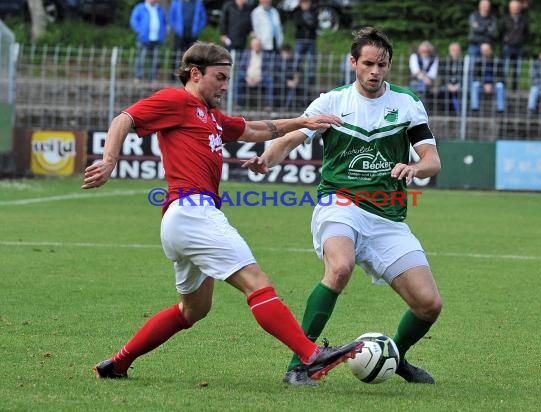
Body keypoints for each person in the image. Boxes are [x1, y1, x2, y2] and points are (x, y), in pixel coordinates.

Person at [83, 41, 363, 381]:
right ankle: (310, 355)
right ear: (196, 73)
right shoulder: (176, 100)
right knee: (257, 282)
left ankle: (118, 363)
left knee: (194, 309)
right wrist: (110, 160)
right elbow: (124, 118)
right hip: (193, 212)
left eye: (228, 78)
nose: (225, 86)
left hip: (180, 220)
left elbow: (254, 130)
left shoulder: (212, 117)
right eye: (219, 77)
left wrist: (306, 121)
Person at [243, 27, 442, 387]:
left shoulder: (406, 102)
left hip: (388, 216)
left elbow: (432, 160)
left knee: (429, 304)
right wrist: (267, 158)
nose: (375, 71)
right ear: (353, 62)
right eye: (367, 63)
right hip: (340, 204)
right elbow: (290, 138)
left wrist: (415, 167)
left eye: (382, 64)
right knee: (340, 268)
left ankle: (393, 357)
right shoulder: (333, 101)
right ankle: (299, 364)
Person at [250, 0, 284, 111]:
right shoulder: (256, 12)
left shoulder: (274, 11)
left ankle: (275, 102)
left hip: (275, 46)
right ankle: (268, 103)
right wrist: (258, 44)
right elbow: (256, 30)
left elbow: (278, 28)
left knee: (277, 74)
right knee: (267, 75)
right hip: (264, 47)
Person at [129, 0, 168, 83]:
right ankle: (138, 77)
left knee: (155, 60)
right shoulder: (140, 8)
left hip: (157, 39)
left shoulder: (160, 9)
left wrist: (163, 33)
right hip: (143, 38)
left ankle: (153, 78)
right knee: (141, 58)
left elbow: (164, 22)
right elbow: (133, 20)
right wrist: (139, 31)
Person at [168, 0, 208, 79]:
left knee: (192, 55)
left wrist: (197, 29)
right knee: (177, 53)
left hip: (192, 34)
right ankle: (173, 76)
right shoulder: (176, 2)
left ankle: (189, 75)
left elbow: (203, 18)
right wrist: (176, 28)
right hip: (179, 33)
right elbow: (171, 17)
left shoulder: (198, 3)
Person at [499, 0, 529, 91]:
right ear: (510, 8)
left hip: (519, 47)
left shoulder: (523, 19)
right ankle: (503, 88)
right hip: (507, 47)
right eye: (513, 8)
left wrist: (522, 40)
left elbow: (526, 32)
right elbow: (500, 32)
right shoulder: (505, 19)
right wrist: (505, 40)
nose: (515, 9)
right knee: (506, 69)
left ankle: (515, 89)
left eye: (517, 8)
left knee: (518, 69)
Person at [291, 0, 318, 99]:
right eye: (304, 3)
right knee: (296, 62)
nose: (306, 5)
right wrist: (308, 23)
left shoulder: (314, 11)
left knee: (311, 64)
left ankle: (309, 82)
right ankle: (296, 78)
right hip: (300, 39)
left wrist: (306, 23)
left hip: (311, 40)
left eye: (307, 2)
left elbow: (315, 24)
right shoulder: (297, 12)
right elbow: (298, 23)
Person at [470, 42, 506, 113]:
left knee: (500, 86)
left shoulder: (497, 61)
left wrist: (491, 84)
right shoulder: (478, 61)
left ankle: (500, 108)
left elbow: (501, 76)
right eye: (483, 50)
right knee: (474, 85)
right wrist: (484, 84)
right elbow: (475, 76)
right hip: (482, 83)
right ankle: (474, 108)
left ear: (490, 50)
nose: (484, 52)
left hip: (494, 83)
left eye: (486, 50)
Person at [439, 42, 464, 114]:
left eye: (457, 50)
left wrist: (458, 85)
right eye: (453, 50)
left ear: (460, 51)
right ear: (449, 51)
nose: (455, 52)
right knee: (443, 90)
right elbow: (442, 75)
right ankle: (446, 111)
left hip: (459, 85)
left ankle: (459, 111)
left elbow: (464, 76)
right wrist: (448, 84)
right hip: (447, 84)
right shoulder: (444, 62)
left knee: (463, 90)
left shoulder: (463, 62)